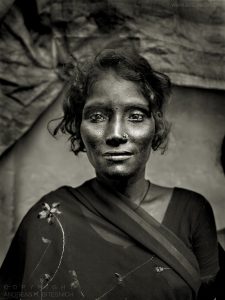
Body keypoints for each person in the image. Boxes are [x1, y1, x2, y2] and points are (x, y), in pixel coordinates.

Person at [0, 48, 219, 300]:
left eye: (136, 116)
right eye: (97, 116)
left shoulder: (192, 211)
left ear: (155, 127)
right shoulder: (49, 219)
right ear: (78, 130)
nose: (116, 133)